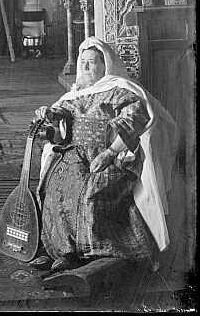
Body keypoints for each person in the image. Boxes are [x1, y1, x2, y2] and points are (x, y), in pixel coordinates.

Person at [32, 36, 179, 273]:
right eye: (83, 63)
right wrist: (49, 115)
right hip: (75, 154)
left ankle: (98, 256)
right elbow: (60, 120)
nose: (86, 68)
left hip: (110, 156)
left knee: (92, 193)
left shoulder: (120, 90)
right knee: (56, 187)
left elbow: (135, 121)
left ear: (105, 65)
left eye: (92, 62)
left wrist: (110, 153)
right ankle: (64, 252)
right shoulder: (77, 93)